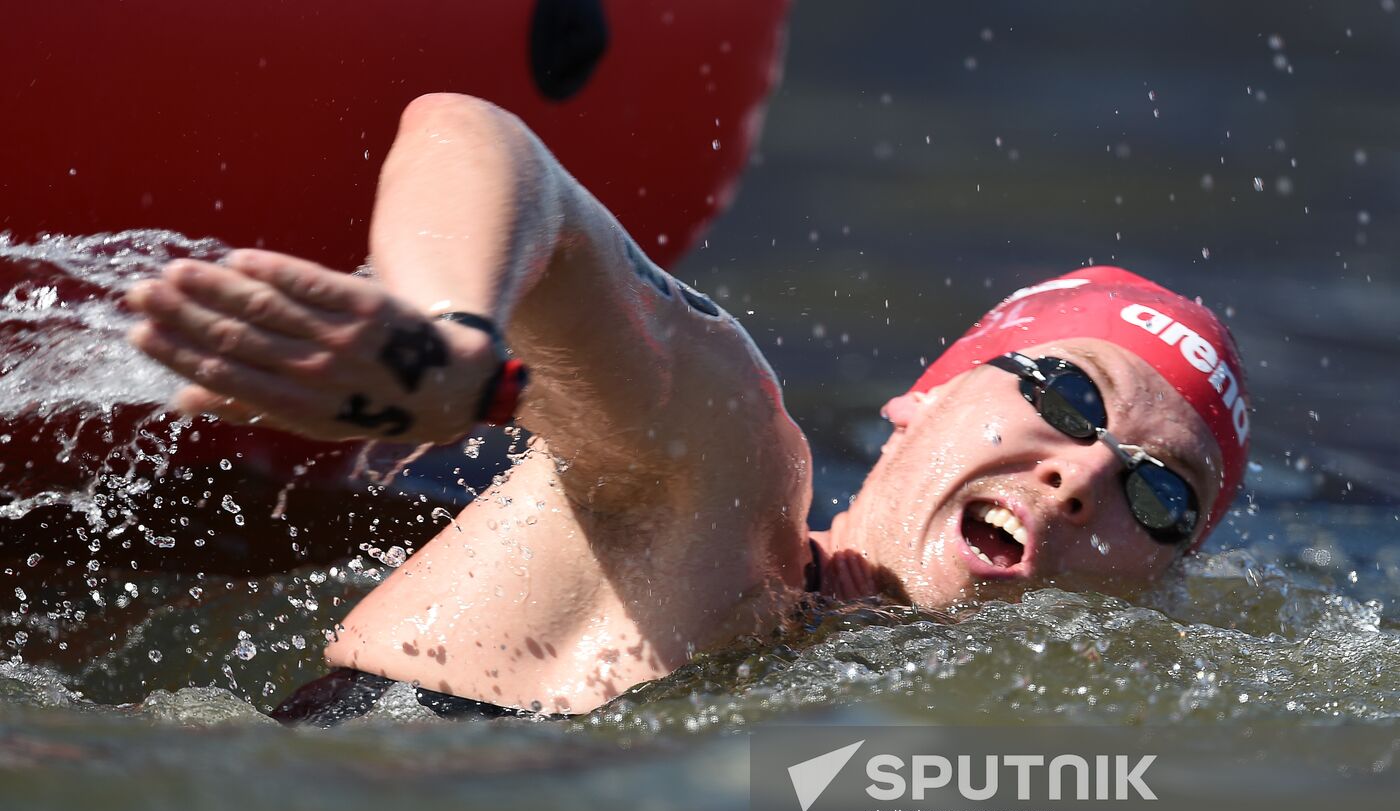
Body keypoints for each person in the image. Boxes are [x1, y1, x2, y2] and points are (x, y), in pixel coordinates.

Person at [125, 94, 1250, 724]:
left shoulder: (960, 765)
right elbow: (481, 139)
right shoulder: (724, 471)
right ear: (924, 397)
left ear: (1162, 583)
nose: (1080, 474)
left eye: (1157, 496)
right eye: (1061, 394)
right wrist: (447, 331)